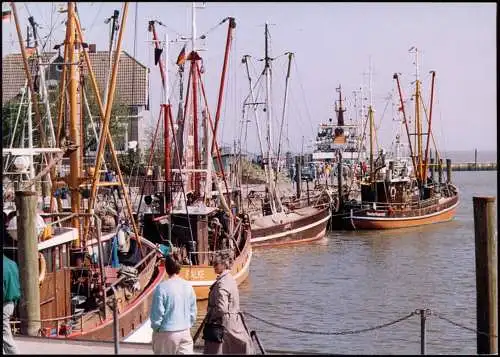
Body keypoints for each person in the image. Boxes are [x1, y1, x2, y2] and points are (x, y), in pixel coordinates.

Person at [203, 253, 254, 355]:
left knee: (216, 349)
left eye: (216, 263)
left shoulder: (222, 283)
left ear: (224, 265)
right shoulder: (230, 278)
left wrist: (212, 317)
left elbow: (222, 308)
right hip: (233, 320)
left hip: (223, 323)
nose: (213, 265)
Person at [150, 255, 197, 355]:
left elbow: (157, 315)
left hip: (166, 332)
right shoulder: (188, 286)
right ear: (179, 268)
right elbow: (193, 312)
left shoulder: (161, 288)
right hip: (185, 331)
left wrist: (156, 328)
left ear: (166, 269)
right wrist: (188, 324)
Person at [3, 254, 21, 354]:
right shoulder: (12, 264)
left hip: (4, 304)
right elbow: (17, 285)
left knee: (5, 336)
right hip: (11, 303)